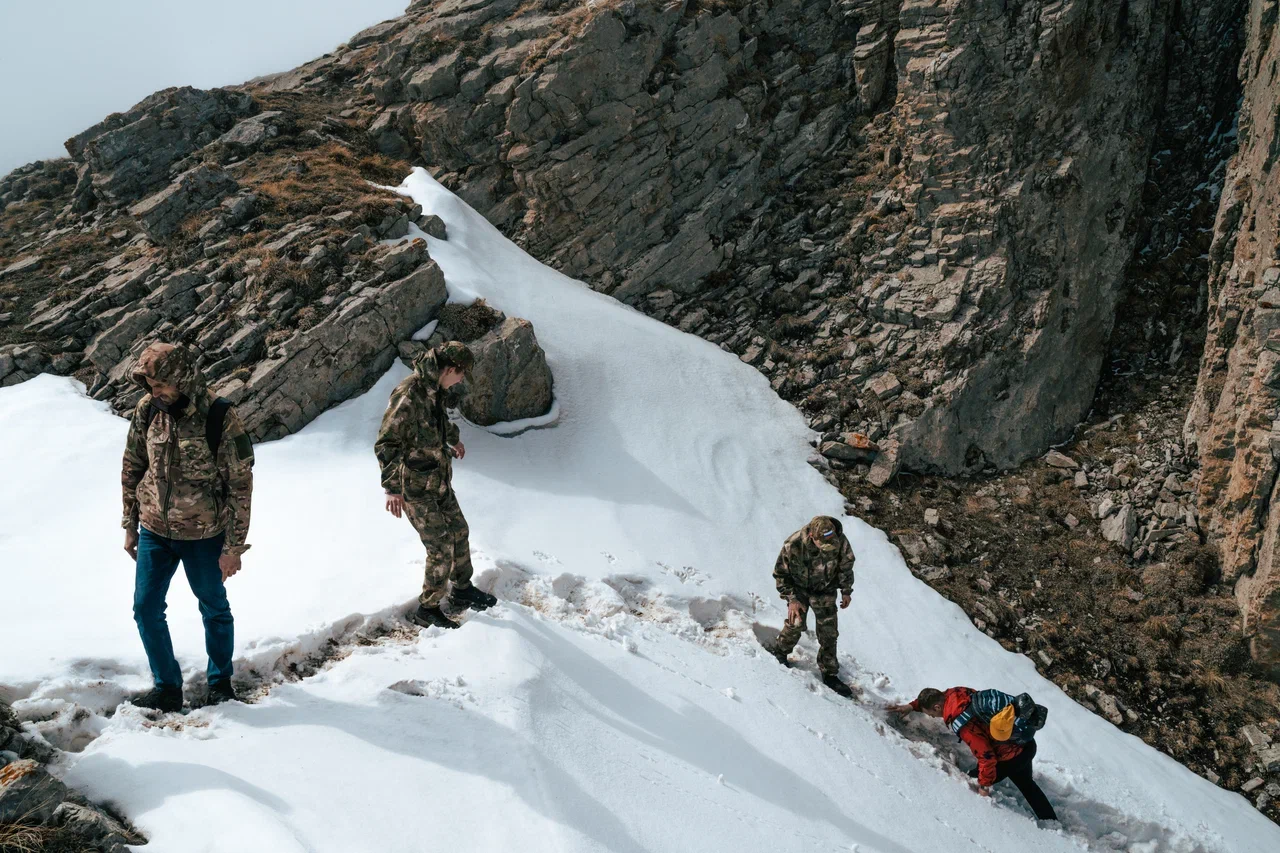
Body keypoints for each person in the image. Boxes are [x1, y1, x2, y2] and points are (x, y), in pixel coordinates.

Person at [121, 342, 255, 712]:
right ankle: (166, 687)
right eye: (149, 386)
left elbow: (240, 484)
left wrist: (233, 547)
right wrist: (129, 524)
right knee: (145, 609)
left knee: (214, 607)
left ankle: (220, 683)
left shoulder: (219, 416)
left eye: (161, 384)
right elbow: (133, 466)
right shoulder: (148, 410)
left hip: (203, 536)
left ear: (182, 378)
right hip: (154, 531)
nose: (155, 393)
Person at [376, 341, 496, 630]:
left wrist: (452, 439)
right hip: (416, 488)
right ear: (450, 369)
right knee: (440, 547)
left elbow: (437, 422)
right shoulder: (409, 394)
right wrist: (392, 489)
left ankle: (462, 589)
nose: (462, 380)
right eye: (461, 374)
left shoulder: (434, 389)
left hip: (439, 481)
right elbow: (386, 442)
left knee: (459, 531)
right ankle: (428, 608)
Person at [888, 687, 1058, 821]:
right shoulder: (957, 693)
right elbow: (933, 697)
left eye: (930, 713)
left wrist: (983, 786)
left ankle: (1043, 823)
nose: (931, 717)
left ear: (937, 707)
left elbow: (986, 755)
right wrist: (912, 706)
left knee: (970, 780)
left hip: (1010, 756)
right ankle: (1050, 820)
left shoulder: (961, 721)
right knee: (1026, 783)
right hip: (1024, 744)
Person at [766, 515, 856, 697]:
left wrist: (846, 591)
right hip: (799, 590)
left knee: (829, 633)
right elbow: (780, 574)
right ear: (812, 537)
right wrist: (792, 599)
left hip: (825, 590)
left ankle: (829, 673)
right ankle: (780, 653)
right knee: (795, 624)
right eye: (822, 544)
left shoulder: (839, 540)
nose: (827, 548)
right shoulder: (794, 544)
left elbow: (846, 566)